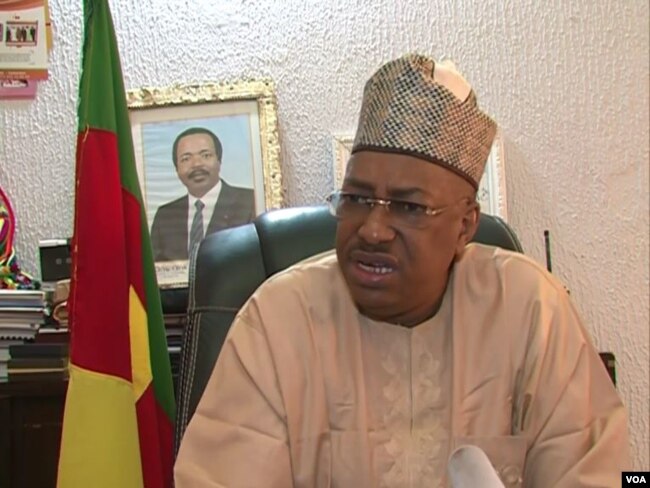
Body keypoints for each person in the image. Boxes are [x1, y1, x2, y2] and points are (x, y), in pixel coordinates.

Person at [174, 54, 630, 487]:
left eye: (409, 207)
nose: (372, 230)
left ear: (465, 225)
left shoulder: (532, 309)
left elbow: (593, 472)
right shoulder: (277, 321)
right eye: (356, 199)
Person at [150, 127, 255, 261]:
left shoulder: (250, 201)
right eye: (186, 159)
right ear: (176, 168)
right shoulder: (165, 216)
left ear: (219, 161)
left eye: (205, 155)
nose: (197, 164)